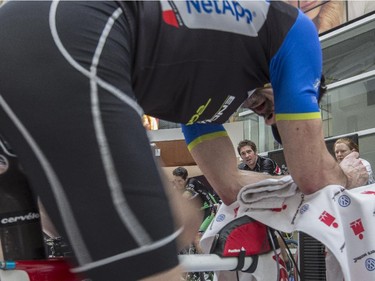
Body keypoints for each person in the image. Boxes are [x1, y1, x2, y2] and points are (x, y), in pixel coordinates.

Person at [0, 1, 368, 281]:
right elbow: (314, 176)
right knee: (170, 223)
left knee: (33, 245)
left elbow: (229, 185)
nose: (262, 112)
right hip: (73, 37)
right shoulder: (297, 33)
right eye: (276, 109)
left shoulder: (202, 86)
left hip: (30, 33)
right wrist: (347, 175)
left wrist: (283, 185)